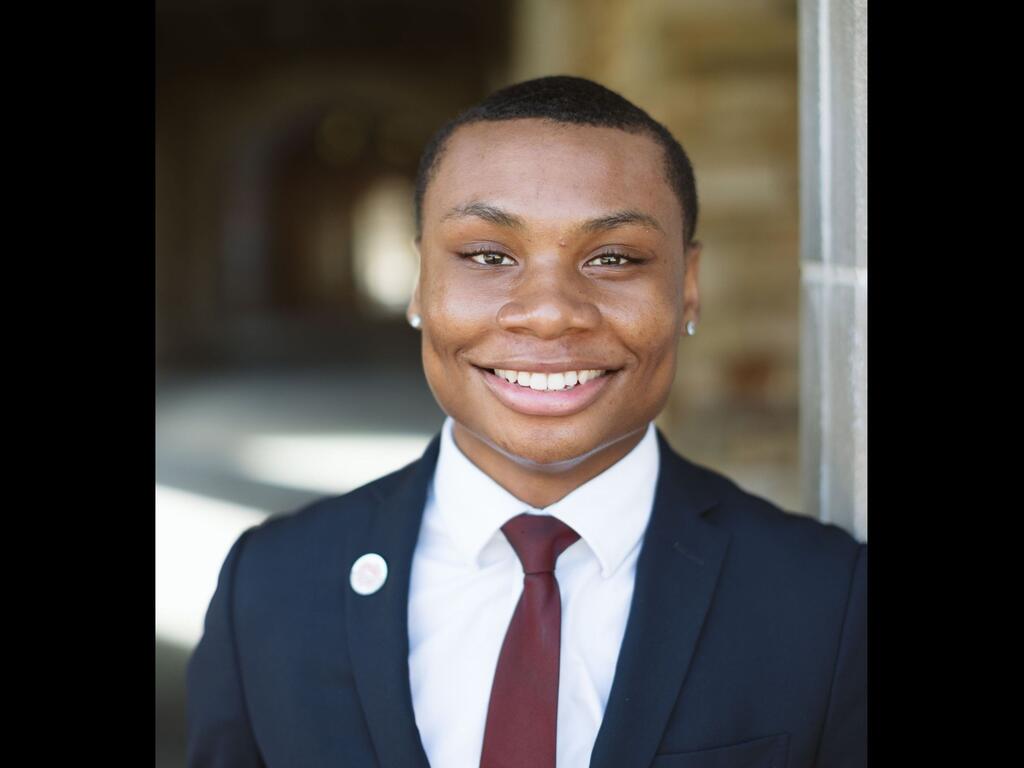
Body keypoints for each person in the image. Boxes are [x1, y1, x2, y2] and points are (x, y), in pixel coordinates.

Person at [185, 75, 866, 768]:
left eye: (614, 258)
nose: (547, 312)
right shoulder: (268, 587)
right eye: (488, 256)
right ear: (421, 282)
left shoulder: (828, 601)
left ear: (687, 288)